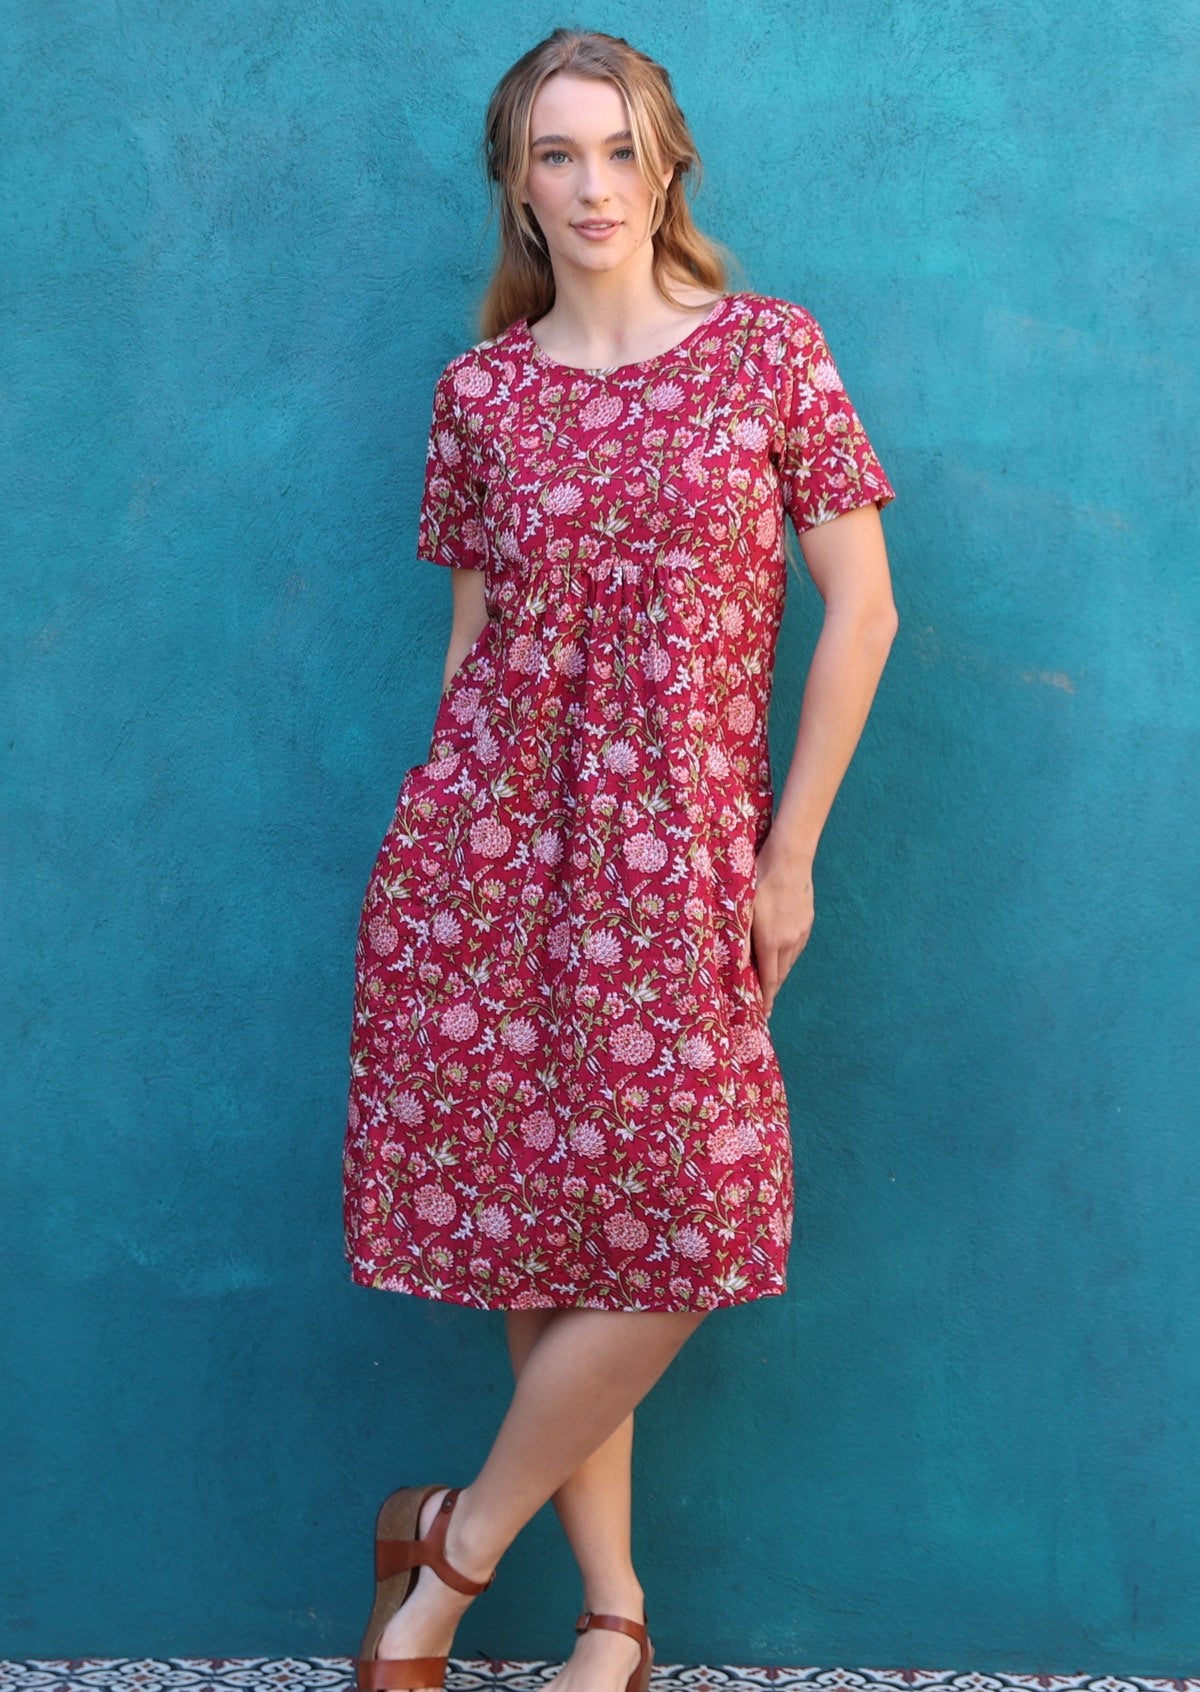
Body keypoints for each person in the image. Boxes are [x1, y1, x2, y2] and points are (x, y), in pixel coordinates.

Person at [342, 26, 898, 1692]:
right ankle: (614, 1618)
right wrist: (440, 847)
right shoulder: (481, 395)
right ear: (517, 183)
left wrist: (787, 854)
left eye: (621, 149)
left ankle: (449, 1548)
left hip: (688, 857)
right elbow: (473, 647)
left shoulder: (769, 353)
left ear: (668, 165)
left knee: (690, 1216)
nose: (594, 185)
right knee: (549, 1228)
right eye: (558, 154)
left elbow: (864, 612)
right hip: (490, 853)